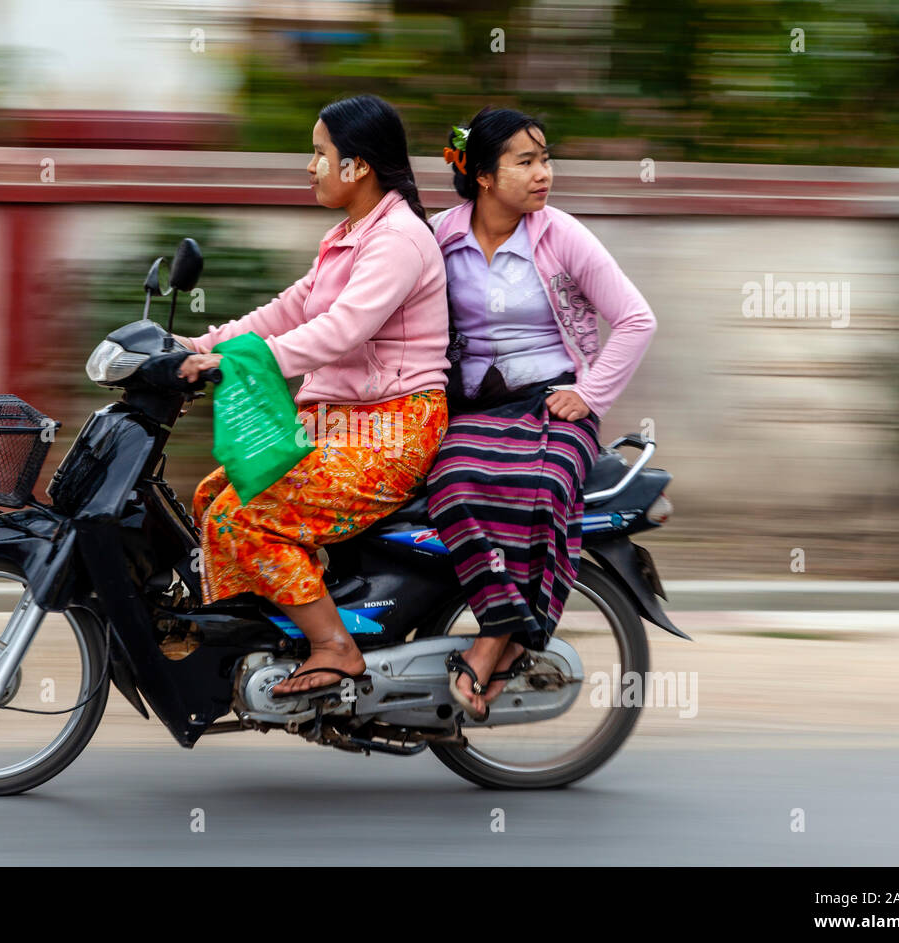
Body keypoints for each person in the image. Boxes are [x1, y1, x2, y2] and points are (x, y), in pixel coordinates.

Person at [175, 94, 450, 697]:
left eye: (320, 153)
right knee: (210, 495)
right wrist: (194, 343)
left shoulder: (398, 239)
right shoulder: (348, 236)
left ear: (359, 165)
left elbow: (340, 330)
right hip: (337, 423)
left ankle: (334, 646)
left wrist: (234, 362)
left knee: (241, 516)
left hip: (392, 429)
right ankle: (266, 638)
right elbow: (286, 311)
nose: (310, 166)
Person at [427, 107, 657, 721]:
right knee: (450, 482)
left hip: (555, 404)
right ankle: (505, 624)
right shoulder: (438, 236)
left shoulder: (562, 235)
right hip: (474, 409)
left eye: (546, 159)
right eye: (525, 162)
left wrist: (592, 395)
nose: (543, 174)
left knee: (548, 486)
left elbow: (636, 319)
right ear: (482, 175)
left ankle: (494, 639)